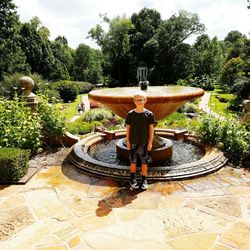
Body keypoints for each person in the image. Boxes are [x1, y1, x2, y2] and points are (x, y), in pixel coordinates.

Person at [125, 91, 156, 190]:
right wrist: (128, 141)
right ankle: (132, 178)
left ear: (145, 100)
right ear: (134, 101)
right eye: (137, 100)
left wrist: (150, 142)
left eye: (141, 100)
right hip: (133, 142)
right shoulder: (130, 114)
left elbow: (151, 129)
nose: (139, 102)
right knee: (133, 161)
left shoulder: (149, 114)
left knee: (144, 161)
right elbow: (128, 129)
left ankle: (144, 179)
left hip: (144, 142)